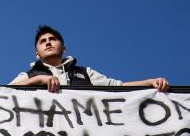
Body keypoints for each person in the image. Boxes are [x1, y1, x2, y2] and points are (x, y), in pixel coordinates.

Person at [11, 25, 169, 93]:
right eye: (42, 41)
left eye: (52, 39)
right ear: (37, 54)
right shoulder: (30, 75)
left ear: (64, 48)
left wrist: (149, 82)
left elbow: (118, 88)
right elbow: (1, 93)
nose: (48, 42)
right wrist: (39, 79)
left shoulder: (85, 72)